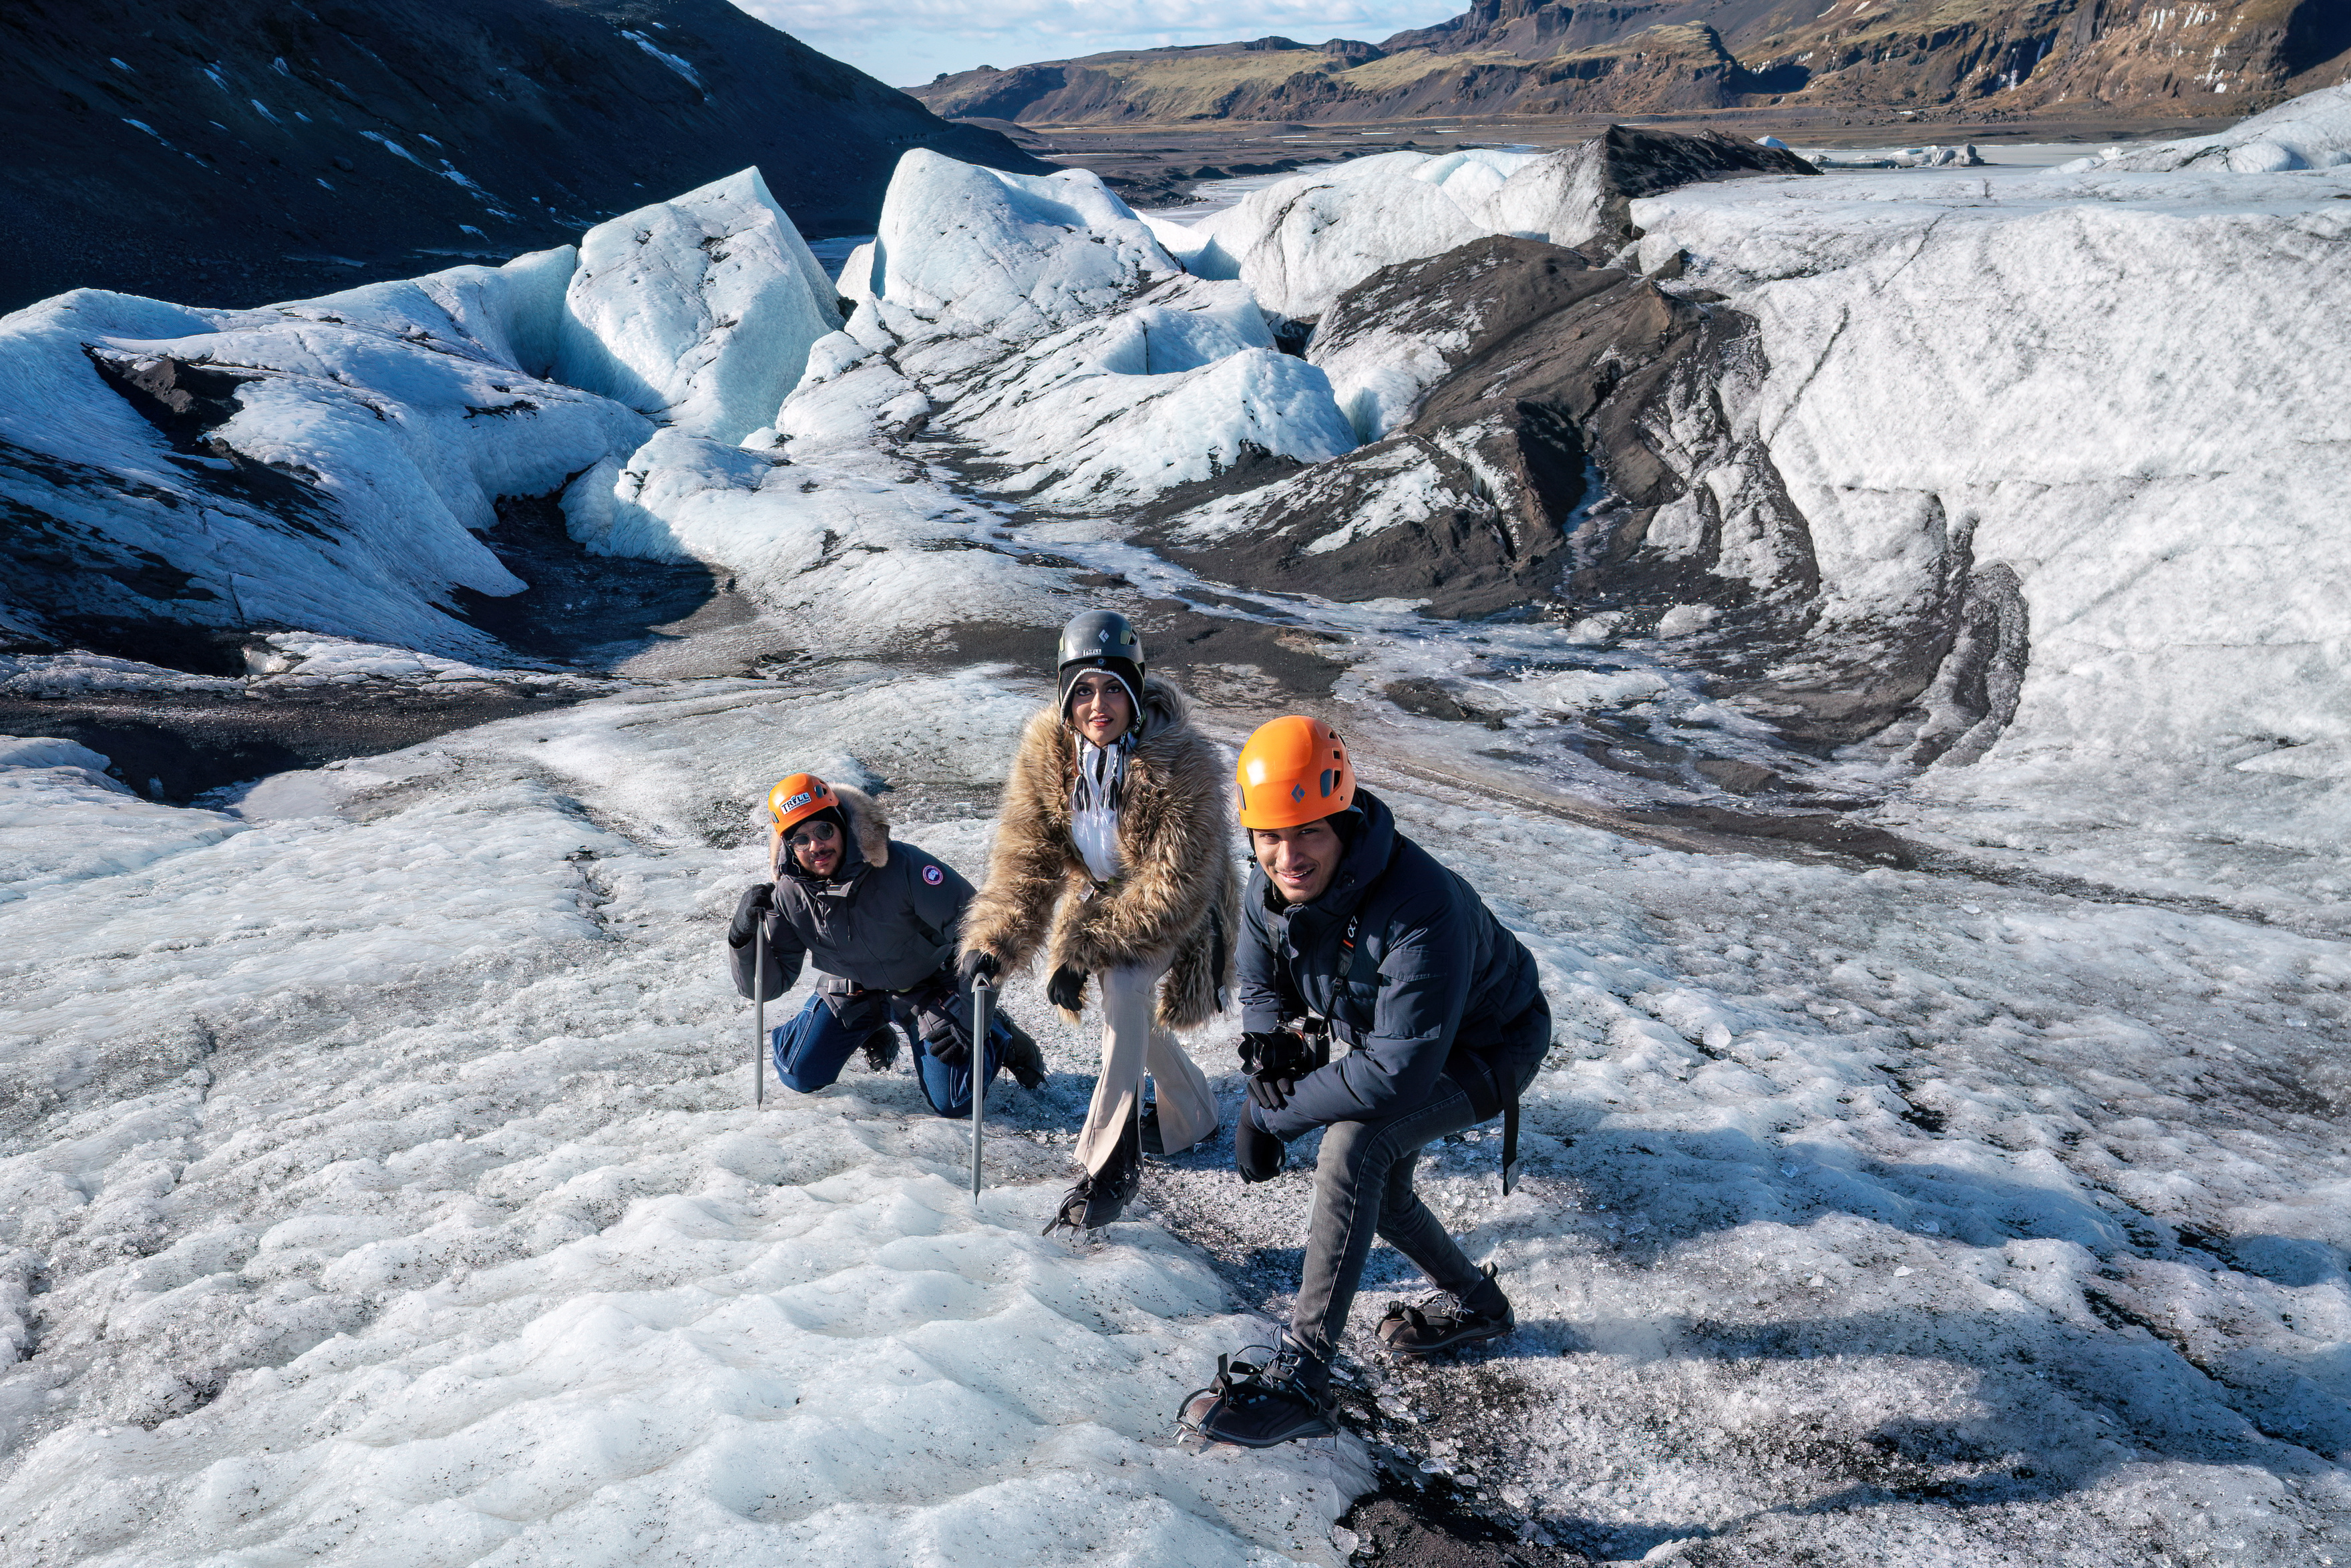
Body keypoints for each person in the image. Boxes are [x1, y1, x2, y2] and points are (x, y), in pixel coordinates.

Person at [1180, 717, 1551, 1448]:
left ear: (1344, 819)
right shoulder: (1272, 879)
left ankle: (1303, 1380)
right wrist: (1270, 1056)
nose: (1287, 855)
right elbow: (1259, 973)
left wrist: (1270, 1118)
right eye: (1270, 836)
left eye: (1309, 832)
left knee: (1354, 1152)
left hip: (1487, 1047)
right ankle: (1480, 1306)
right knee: (1381, 1196)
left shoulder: (1421, 904)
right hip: (1392, 1033)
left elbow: (1395, 1072)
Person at [958, 610, 1239, 1233]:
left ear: (1136, 690)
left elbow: (1172, 888)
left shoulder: (1181, 763)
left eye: (1114, 687)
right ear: (1064, 694)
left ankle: (1109, 1164)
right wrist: (996, 944)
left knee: (1126, 988)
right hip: (1102, 902)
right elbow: (1026, 862)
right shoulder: (1049, 756)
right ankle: (1192, 1115)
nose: (1098, 705)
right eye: (1082, 689)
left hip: (1183, 910)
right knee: (1129, 1010)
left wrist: (1082, 949)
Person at [729, 772, 1047, 1116]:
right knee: (798, 1073)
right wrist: (741, 938)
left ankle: (1000, 1034)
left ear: (843, 826)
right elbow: (767, 987)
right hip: (854, 990)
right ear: (788, 846)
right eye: (800, 840)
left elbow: (983, 930)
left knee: (954, 1101)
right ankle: (872, 1029)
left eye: (824, 831)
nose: (816, 847)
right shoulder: (789, 894)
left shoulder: (904, 866)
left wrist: (973, 1022)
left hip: (929, 987)